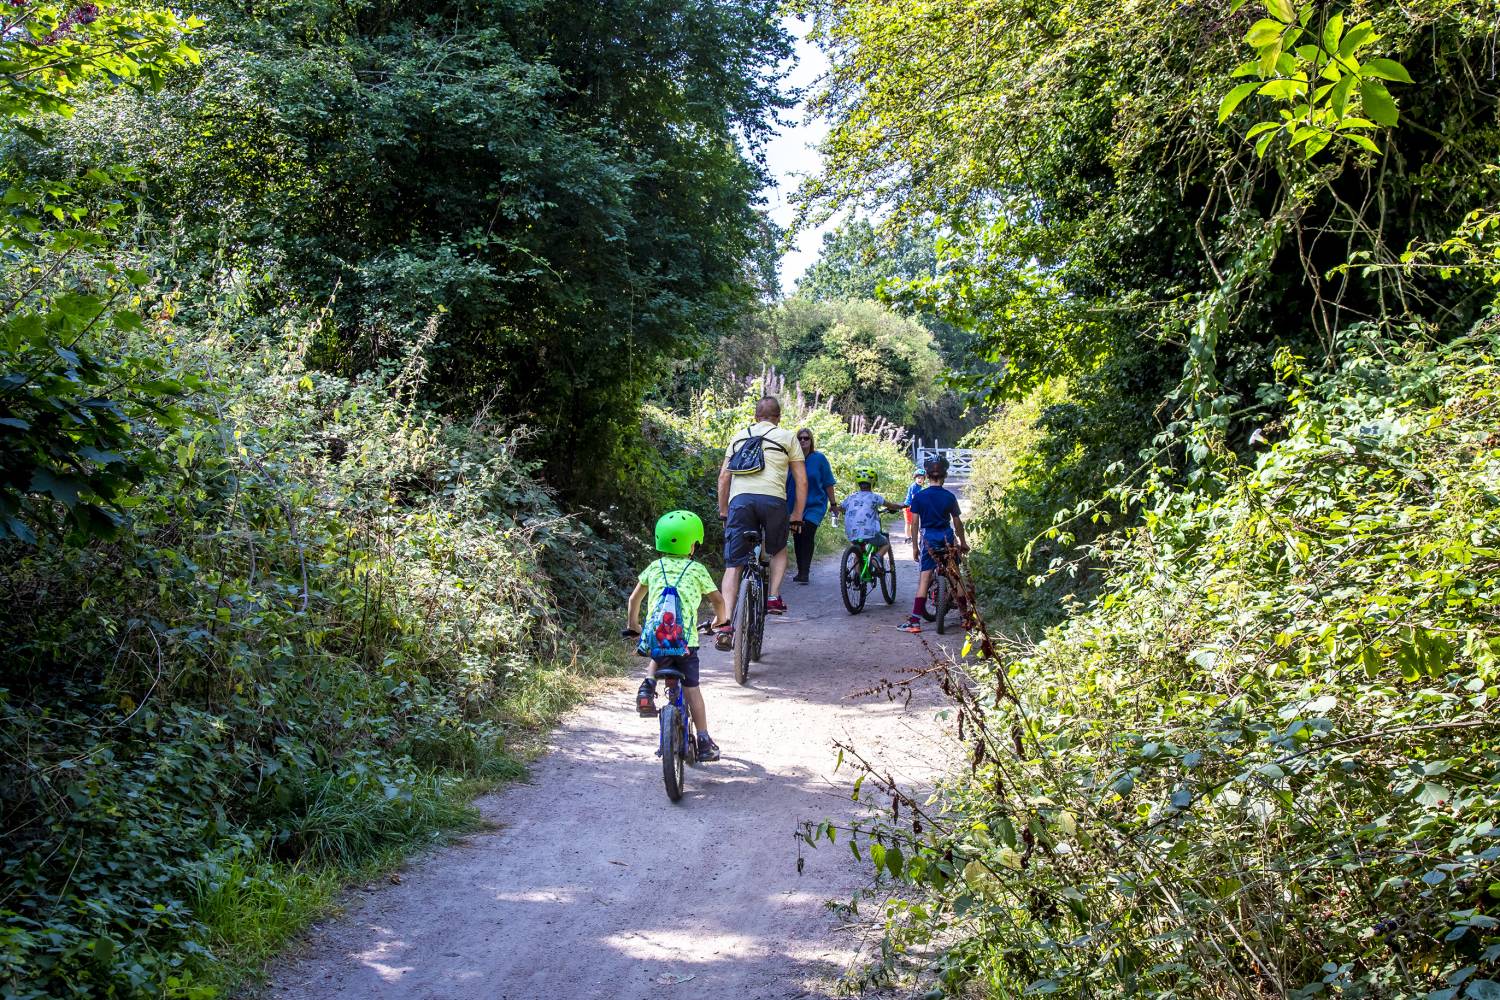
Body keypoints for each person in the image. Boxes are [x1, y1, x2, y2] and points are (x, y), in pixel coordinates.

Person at [625, 510, 728, 761]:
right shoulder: (697, 570)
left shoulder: (653, 567)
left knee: (659, 650)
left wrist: (634, 626)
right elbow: (718, 601)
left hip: (658, 640)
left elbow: (634, 599)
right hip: (686, 644)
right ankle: (703, 740)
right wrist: (720, 621)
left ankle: (647, 688)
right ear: (693, 545)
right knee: (692, 689)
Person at [715, 396, 806, 650]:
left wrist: (724, 511)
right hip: (774, 502)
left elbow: (724, 478)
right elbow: (802, 481)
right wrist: (797, 514)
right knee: (777, 549)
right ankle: (774, 596)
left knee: (733, 565)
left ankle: (725, 622)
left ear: (756, 417)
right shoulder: (787, 437)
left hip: (740, 502)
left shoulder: (738, 436)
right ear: (778, 417)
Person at [900, 456, 968, 634]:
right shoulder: (949, 497)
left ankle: (915, 622)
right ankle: (965, 617)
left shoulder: (919, 497)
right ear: (945, 475)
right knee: (956, 576)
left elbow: (914, 524)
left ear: (928, 476)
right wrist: (963, 542)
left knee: (924, 579)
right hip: (946, 537)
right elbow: (957, 522)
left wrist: (915, 547)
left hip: (929, 539)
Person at [787, 428, 838, 584]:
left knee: (807, 533)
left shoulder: (819, 459)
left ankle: (805, 572)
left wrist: (833, 503)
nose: (803, 441)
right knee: (797, 536)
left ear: (811, 441)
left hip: (814, 504)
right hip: (794, 506)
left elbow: (828, 482)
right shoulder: (790, 459)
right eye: (800, 438)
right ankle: (801, 570)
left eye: (806, 438)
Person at [839, 466, 904, 561]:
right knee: (885, 544)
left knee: (859, 551)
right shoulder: (875, 497)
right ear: (873, 483)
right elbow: (891, 505)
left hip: (852, 533)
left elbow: (840, 508)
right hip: (869, 533)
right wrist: (901, 506)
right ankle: (876, 558)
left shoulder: (850, 497)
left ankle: (857, 575)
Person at [903, 468, 926, 562]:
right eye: (918, 478)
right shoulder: (914, 486)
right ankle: (908, 537)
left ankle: (911, 537)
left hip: (915, 507)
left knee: (913, 523)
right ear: (915, 479)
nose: (920, 480)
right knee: (909, 523)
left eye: (922, 478)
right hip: (909, 506)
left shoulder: (921, 488)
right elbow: (914, 498)